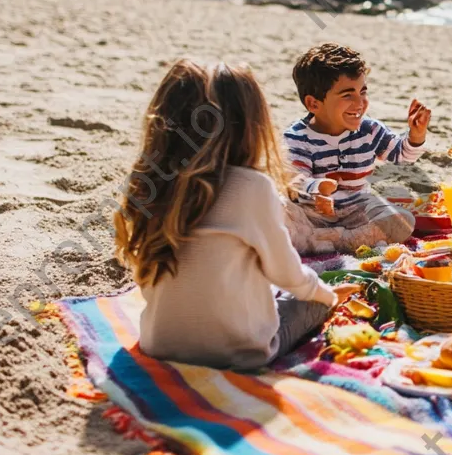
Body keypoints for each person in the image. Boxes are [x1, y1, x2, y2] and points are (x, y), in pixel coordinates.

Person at [115, 60, 356, 370]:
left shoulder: (149, 184)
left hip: (158, 342)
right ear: (249, 126)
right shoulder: (251, 187)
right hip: (239, 352)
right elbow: (289, 276)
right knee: (308, 303)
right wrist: (326, 296)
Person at [283, 43, 431, 251]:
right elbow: (294, 180)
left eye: (362, 92)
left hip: (358, 210)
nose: (359, 103)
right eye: (347, 95)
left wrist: (416, 134)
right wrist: (316, 189)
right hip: (312, 215)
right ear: (314, 104)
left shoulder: (368, 130)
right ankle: (334, 239)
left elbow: (401, 155)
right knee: (279, 210)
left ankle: (329, 240)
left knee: (402, 220)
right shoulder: (298, 137)